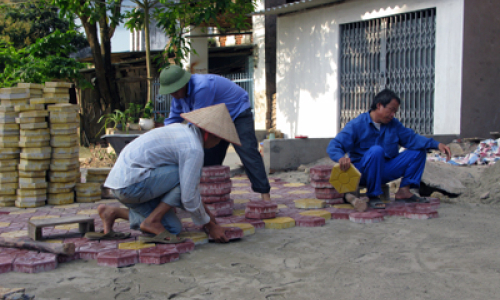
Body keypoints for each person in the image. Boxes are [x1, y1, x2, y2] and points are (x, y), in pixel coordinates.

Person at [86, 104, 241, 243]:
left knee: (173, 228)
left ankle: (112, 212)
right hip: (132, 184)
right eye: (219, 139)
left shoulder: (181, 131)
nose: (218, 144)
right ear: (210, 134)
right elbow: (189, 196)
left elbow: (190, 192)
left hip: (120, 183)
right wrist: (210, 225)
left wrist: (209, 219)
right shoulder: (193, 148)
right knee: (184, 178)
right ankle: (152, 220)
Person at [160, 65, 271, 201]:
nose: (174, 95)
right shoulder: (177, 98)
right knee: (209, 158)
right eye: (171, 92)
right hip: (215, 118)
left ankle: (265, 196)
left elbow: (197, 122)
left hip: (236, 113)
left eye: (176, 91)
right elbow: (172, 120)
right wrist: (163, 138)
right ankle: (211, 198)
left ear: (183, 84)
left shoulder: (202, 87)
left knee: (247, 151)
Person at [327, 89, 451, 210]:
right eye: (391, 110)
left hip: (385, 170)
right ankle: (374, 195)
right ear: (379, 105)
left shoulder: (394, 125)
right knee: (376, 151)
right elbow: (334, 145)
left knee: (418, 151)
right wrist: (341, 158)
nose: (393, 115)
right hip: (363, 172)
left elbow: (412, 139)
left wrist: (437, 145)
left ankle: (404, 191)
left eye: (395, 112)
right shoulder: (357, 125)